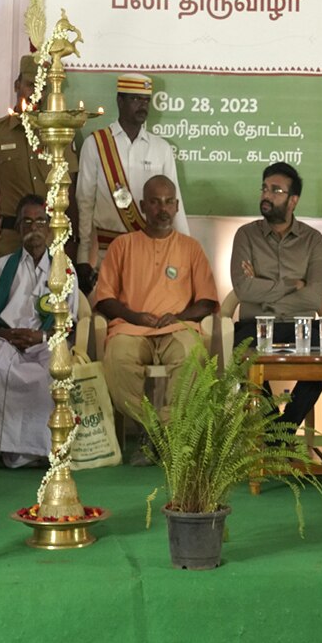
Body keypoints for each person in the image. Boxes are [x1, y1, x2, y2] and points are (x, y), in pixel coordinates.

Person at [94, 175, 218, 465]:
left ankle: (157, 434)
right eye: (155, 202)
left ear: (176, 206)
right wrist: (134, 315)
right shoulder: (122, 245)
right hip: (131, 328)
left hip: (177, 327)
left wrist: (178, 316)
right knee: (116, 361)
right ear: (142, 206)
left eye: (169, 202)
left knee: (191, 356)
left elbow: (207, 301)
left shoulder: (191, 248)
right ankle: (157, 430)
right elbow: (104, 298)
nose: (163, 209)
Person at [0, 194, 79, 468]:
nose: (34, 229)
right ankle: (7, 451)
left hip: (48, 341)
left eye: (41, 222)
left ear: (50, 227)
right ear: (18, 228)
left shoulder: (64, 269)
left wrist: (41, 337)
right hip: (9, 341)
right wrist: (9, 336)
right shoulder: (1, 267)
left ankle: (44, 451)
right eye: (27, 222)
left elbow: (71, 323)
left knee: (51, 373)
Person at [231, 161, 322, 428]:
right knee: (241, 356)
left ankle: (283, 431)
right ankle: (275, 430)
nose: (266, 195)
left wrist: (262, 285)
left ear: (293, 200)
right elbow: (243, 288)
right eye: (264, 188)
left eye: (276, 190)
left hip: (302, 327)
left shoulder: (313, 239)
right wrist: (292, 284)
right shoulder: (245, 236)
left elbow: (314, 296)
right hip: (255, 325)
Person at [75, 73, 187, 294]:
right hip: (107, 251)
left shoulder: (161, 148)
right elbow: (84, 202)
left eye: (146, 100)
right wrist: (83, 257)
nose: (142, 106)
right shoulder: (95, 144)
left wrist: (185, 251)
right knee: (106, 316)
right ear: (120, 101)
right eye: (136, 99)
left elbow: (175, 204)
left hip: (151, 251)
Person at [0, 55, 78, 261]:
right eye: (30, 85)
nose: (36, 93)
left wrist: (72, 242)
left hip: (52, 235)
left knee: (50, 293)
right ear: (17, 85)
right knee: (8, 292)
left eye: (42, 88)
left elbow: (70, 191)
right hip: (11, 238)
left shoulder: (59, 132)